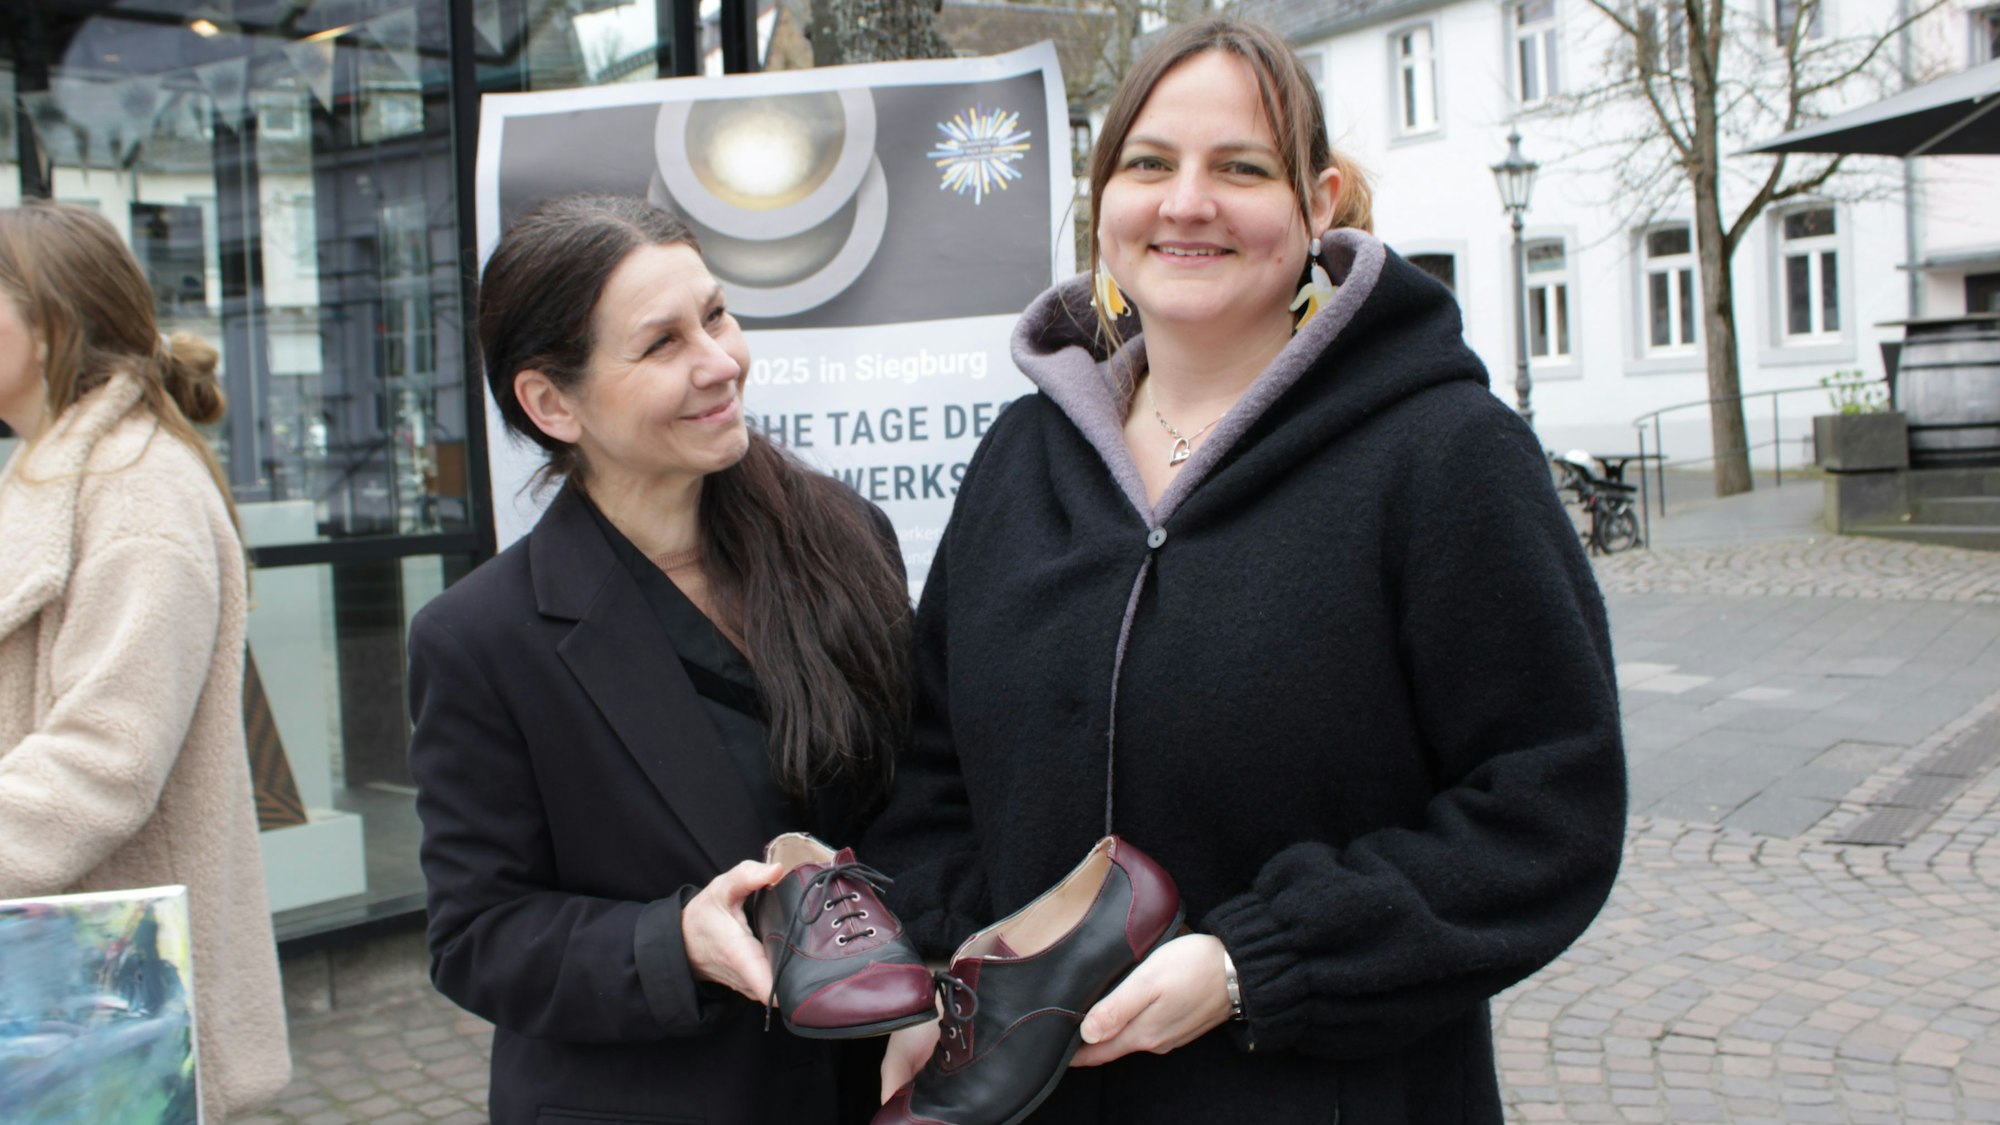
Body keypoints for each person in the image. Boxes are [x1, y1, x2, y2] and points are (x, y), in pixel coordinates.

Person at [867, 17, 1627, 1124]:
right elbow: (925, 773)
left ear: (1316, 203)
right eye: (1148, 164)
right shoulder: (1018, 459)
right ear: (1102, 200)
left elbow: (1545, 804)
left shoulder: (1443, 454)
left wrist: (1250, 963)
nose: (1185, 203)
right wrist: (937, 977)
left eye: (1240, 167)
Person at [407, 193, 912, 1124]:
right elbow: (478, 937)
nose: (721, 362)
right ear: (552, 401)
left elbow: (920, 798)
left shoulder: (848, 537)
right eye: (662, 343)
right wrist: (673, 942)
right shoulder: (480, 641)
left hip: (880, 1090)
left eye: (716, 315)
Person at [0, 200, 291, 1120]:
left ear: (50, 321)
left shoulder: (135, 491)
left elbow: (104, 758)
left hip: (107, 1014)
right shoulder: (57, 472)